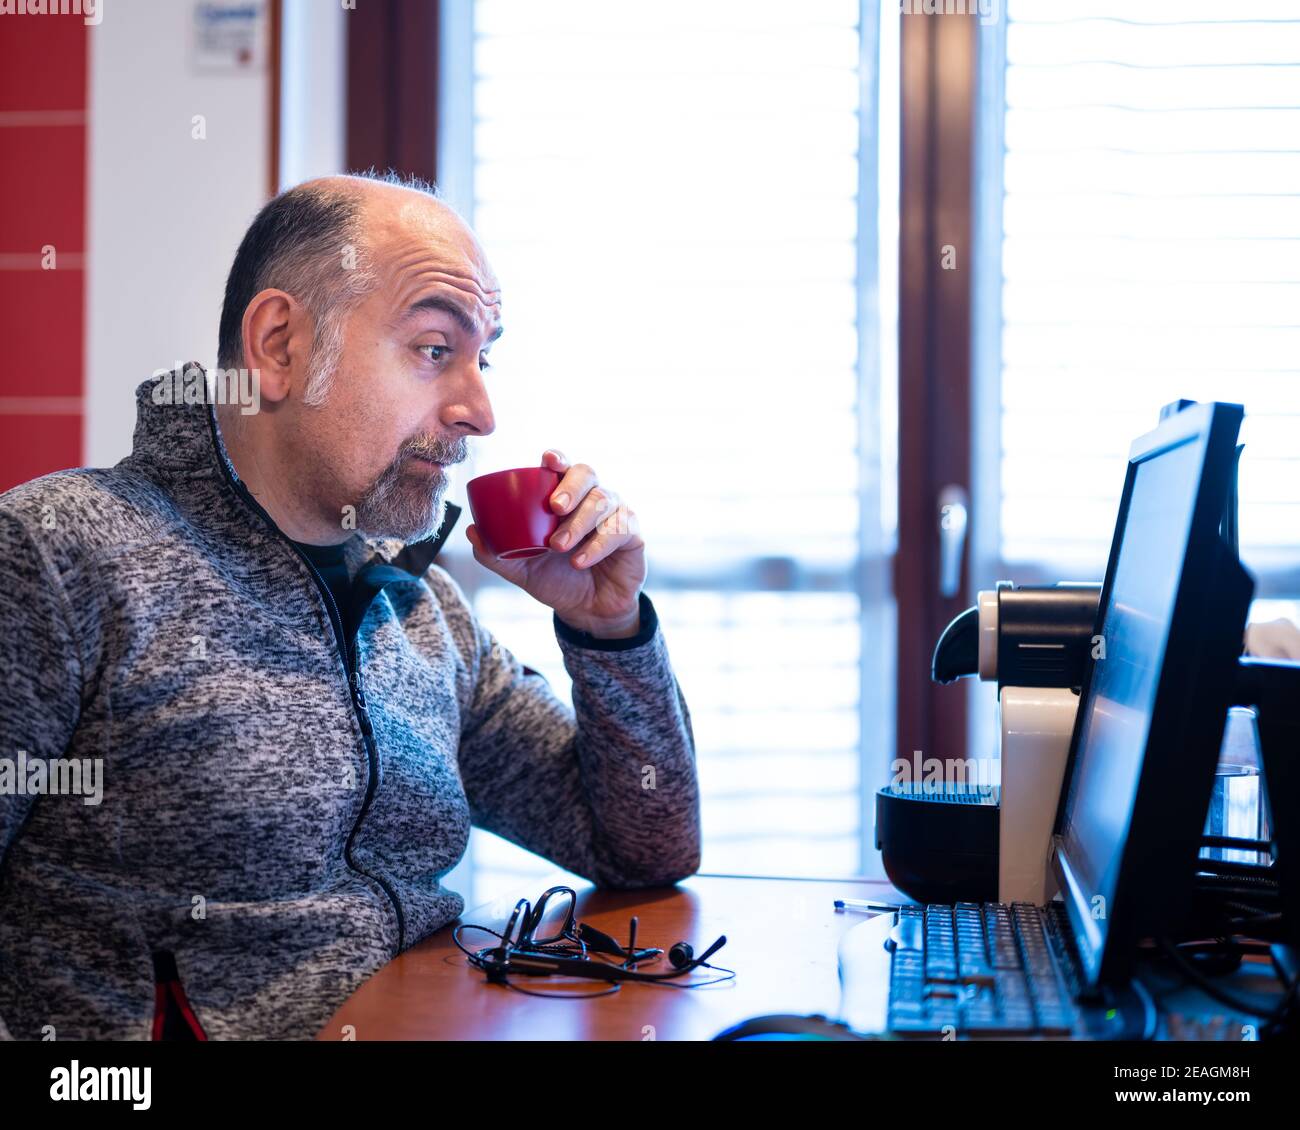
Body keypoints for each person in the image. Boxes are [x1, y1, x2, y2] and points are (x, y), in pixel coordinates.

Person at [0, 172, 700, 1040]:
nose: (480, 411)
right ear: (281, 345)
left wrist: (609, 630)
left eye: (484, 359)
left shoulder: (422, 607)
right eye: (435, 348)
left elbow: (642, 849)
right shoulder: (57, 553)